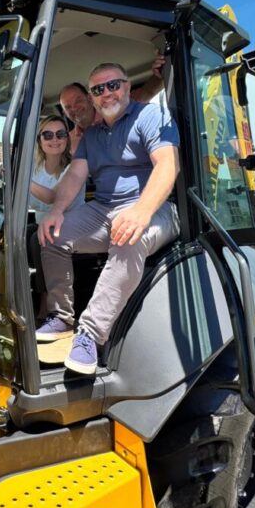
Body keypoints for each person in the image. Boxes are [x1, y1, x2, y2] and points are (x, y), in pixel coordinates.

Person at [36, 61, 180, 375]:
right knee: (50, 234)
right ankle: (61, 316)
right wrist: (56, 212)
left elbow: (167, 165)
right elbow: (74, 176)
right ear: (93, 97)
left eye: (113, 85)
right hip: (103, 209)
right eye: (98, 89)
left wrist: (141, 211)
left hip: (155, 208)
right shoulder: (91, 136)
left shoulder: (150, 116)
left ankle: (89, 335)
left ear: (127, 87)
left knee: (128, 236)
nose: (107, 93)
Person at [29, 115, 85, 214]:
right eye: (48, 135)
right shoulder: (32, 167)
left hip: (71, 226)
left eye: (60, 134)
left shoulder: (75, 166)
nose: (54, 139)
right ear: (39, 141)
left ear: (66, 139)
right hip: (41, 225)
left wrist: (23, 180)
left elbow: (52, 197)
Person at [58, 82, 100, 155]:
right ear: (65, 113)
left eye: (78, 101)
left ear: (90, 98)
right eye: (68, 107)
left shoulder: (115, 121)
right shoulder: (68, 142)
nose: (74, 108)